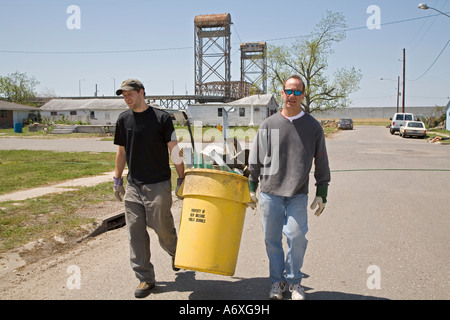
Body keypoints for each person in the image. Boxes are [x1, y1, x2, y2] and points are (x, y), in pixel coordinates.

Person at [248, 75, 330, 300]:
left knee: (296, 236)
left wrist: (322, 191)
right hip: (270, 192)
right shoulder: (269, 124)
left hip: (297, 194)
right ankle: (276, 282)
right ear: (282, 93)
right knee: (272, 240)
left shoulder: (312, 127)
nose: (292, 96)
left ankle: (294, 283)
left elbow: (321, 159)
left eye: (297, 92)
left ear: (303, 95)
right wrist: (251, 186)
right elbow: (256, 156)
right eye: (288, 91)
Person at [113, 78, 185, 298]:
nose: (127, 98)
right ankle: (145, 278)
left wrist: (182, 177)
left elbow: (174, 149)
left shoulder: (162, 118)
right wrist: (117, 179)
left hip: (158, 183)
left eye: (130, 94)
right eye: (124, 96)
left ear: (142, 92)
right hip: (134, 184)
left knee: (161, 227)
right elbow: (121, 151)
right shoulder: (123, 119)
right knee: (135, 231)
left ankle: (177, 252)